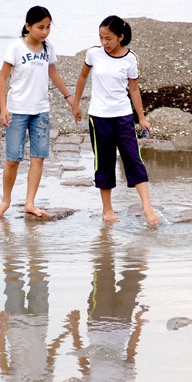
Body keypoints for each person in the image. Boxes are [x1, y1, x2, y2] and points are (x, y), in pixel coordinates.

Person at [71, 15, 160, 226]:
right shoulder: (93, 54)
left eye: (109, 38)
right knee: (104, 162)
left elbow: (134, 89)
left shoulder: (130, 59)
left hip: (123, 117)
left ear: (120, 37)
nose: (104, 43)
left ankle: (147, 207)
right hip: (99, 117)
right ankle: (107, 209)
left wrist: (141, 118)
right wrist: (76, 104)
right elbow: (83, 77)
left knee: (132, 157)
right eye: (101, 37)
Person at [0, 6, 74, 218]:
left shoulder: (48, 48)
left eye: (47, 27)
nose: (44, 32)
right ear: (28, 26)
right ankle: (5, 201)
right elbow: (2, 78)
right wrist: (3, 107)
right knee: (13, 158)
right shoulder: (16, 48)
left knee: (38, 157)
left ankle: (30, 203)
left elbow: (53, 73)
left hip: (41, 111)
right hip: (17, 110)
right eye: (40, 27)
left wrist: (69, 97)